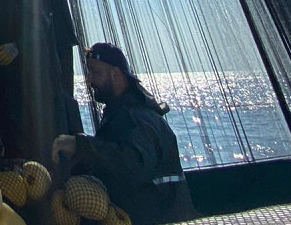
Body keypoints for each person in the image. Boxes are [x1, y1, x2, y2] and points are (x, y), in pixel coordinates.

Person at [52, 43, 194, 225]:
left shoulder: (137, 118)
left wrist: (81, 145)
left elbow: (133, 164)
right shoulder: (122, 113)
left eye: (96, 73)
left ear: (116, 75)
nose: (89, 79)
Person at [0, 0, 81, 162]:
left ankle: (53, 156)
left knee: (52, 103)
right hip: (55, 45)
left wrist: (20, 45)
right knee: (59, 101)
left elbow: (42, 18)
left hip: (50, 49)